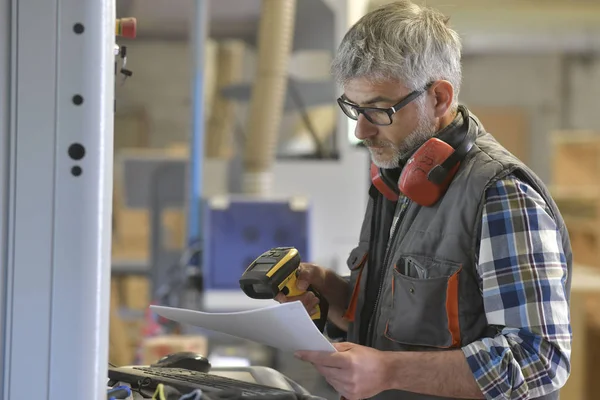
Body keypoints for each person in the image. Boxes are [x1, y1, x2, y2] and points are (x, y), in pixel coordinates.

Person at [275, 1, 573, 399]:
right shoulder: (398, 178)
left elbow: (540, 358)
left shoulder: (500, 193)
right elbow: (408, 321)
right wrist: (337, 297)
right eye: (353, 107)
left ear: (439, 98)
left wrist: (387, 370)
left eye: (379, 111)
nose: (361, 130)